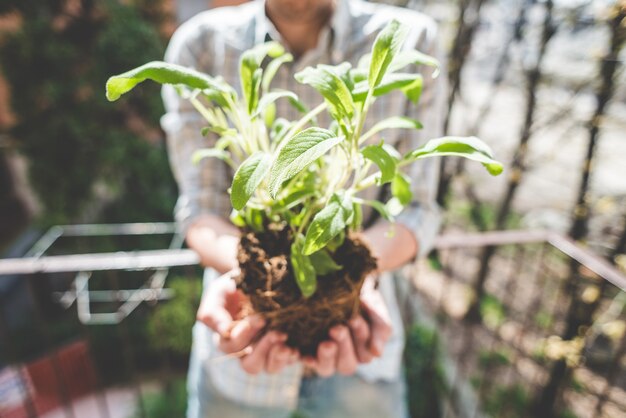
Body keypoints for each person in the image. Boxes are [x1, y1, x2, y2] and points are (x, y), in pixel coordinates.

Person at [160, 0, 445, 416]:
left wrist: (350, 274)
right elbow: (201, 212)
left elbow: (416, 210)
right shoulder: (201, 46)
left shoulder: (411, 39)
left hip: (359, 344)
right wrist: (255, 276)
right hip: (242, 345)